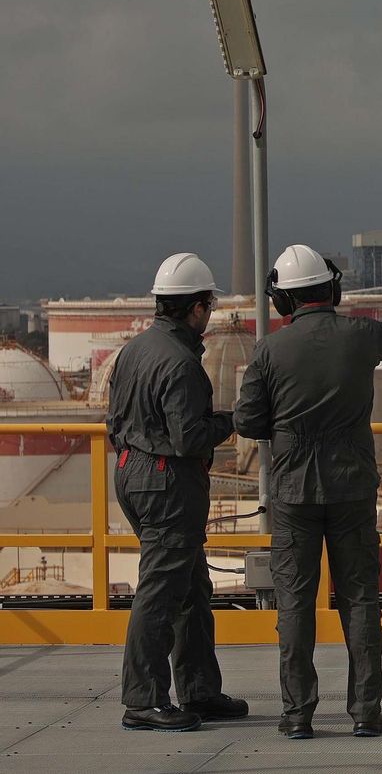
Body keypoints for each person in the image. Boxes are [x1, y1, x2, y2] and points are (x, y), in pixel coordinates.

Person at [234, 245, 382, 740]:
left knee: (295, 603)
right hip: (352, 487)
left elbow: (248, 421)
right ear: (332, 290)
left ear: (284, 300)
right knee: (360, 598)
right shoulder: (361, 335)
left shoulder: (269, 350)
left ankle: (297, 715)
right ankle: (366, 712)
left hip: (293, 492)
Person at [106, 252, 249, 732]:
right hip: (167, 482)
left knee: (191, 589)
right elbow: (189, 437)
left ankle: (199, 691)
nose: (210, 313)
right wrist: (233, 421)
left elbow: (114, 421)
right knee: (162, 592)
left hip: (133, 471)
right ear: (196, 307)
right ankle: (143, 699)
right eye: (209, 305)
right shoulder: (181, 363)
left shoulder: (135, 349)